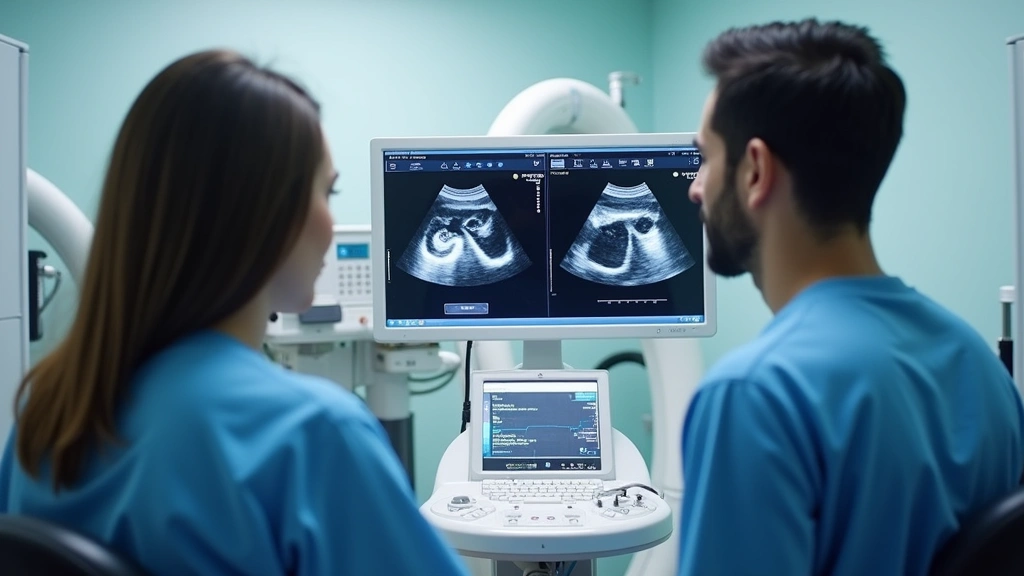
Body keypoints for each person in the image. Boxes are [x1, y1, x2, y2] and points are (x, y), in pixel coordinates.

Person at [0, 50, 469, 576]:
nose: (332, 225)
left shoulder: (47, 412)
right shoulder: (311, 433)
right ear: (261, 210)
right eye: (327, 191)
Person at [679, 18, 1024, 576]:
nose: (695, 187)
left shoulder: (754, 394)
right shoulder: (982, 368)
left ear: (755, 171)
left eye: (706, 158)